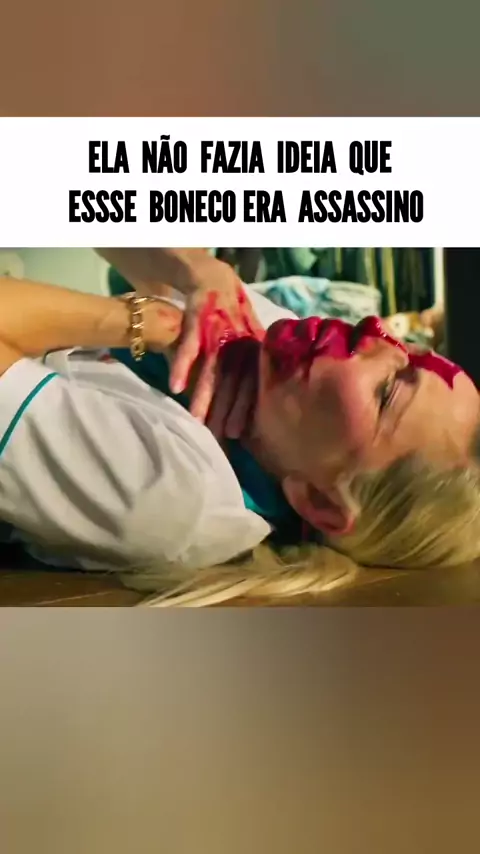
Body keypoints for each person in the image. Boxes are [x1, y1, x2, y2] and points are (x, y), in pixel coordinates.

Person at [0, 273, 478, 608]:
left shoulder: (179, 494)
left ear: (321, 501)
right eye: (408, 349)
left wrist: (150, 323)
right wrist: (195, 268)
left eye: (388, 391)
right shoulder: (270, 363)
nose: (375, 331)